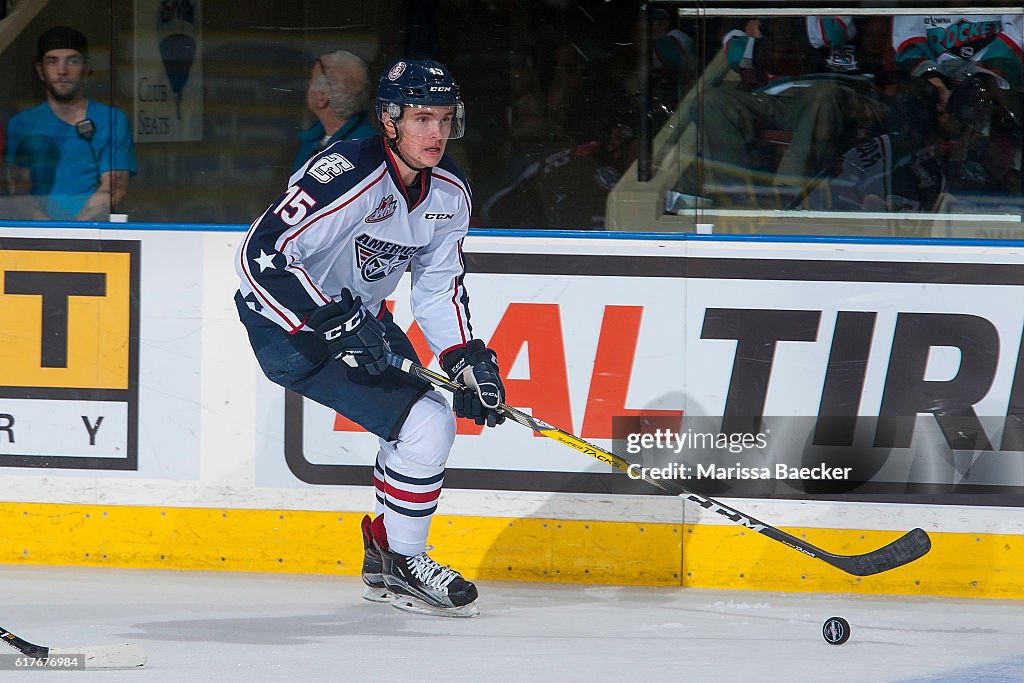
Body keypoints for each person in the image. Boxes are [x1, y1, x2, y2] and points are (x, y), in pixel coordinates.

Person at [235, 59, 504, 618]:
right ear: (390, 118)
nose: (436, 133)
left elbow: (436, 289)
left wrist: (464, 358)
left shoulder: (449, 194)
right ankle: (406, 563)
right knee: (426, 423)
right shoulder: (346, 172)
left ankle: (388, 554)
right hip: (288, 326)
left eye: (445, 119)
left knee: (421, 421)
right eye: (422, 118)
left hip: (357, 318)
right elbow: (260, 257)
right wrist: (330, 320)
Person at [692, 16, 887, 208]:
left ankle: (786, 192)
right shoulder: (774, 16)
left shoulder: (846, 8)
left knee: (822, 93)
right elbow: (738, 56)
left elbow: (834, 30)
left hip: (846, 93)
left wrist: (770, 26)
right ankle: (734, 199)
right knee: (712, 101)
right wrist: (776, 27)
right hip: (780, 97)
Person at [4, 26, 136, 220]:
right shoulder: (21, 123)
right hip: (37, 238)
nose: (62, 71)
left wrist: (74, 234)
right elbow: (19, 191)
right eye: (52, 61)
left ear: (87, 68)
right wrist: (50, 233)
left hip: (92, 237)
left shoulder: (112, 119)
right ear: (41, 71)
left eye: (72, 61)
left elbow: (114, 187)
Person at [292, 50, 376, 173]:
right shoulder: (313, 139)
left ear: (323, 98)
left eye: (312, 81)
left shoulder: (363, 151)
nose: (308, 85)